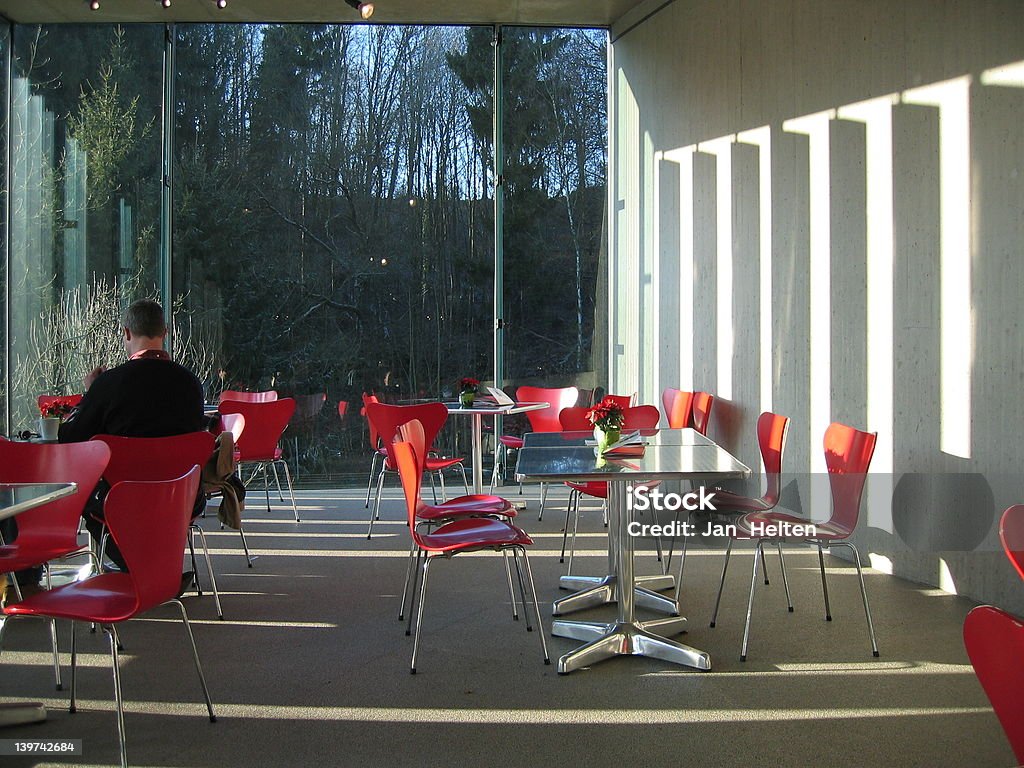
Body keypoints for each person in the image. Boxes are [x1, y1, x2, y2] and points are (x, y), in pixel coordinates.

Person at [59, 299, 206, 572]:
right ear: (165, 332)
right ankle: (154, 567)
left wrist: (90, 395)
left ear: (127, 333)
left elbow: (70, 438)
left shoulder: (109, 384)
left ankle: (136, 567)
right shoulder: (190, 384)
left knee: (84, 494)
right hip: (182, 496)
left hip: (122, 497)